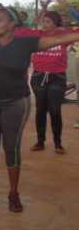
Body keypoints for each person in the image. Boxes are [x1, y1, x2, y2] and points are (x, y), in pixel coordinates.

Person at [0, 5, 79, 212]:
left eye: (0, 20)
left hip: (16, 102)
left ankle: (13, 194)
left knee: (11, 147)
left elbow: (60, 40)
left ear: (13, 24)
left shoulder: (26, 43)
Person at [29, 11, 76, 154]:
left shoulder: (63, 37)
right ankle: (40, 141)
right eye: (43, 21)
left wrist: (65, 28)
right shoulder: (37, 36)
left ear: (55, 23)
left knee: (55, 110)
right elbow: (23, 31)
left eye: (48, 21)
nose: (44, 24)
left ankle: (58, 143)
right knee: (40, 110)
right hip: (38, 76)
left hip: (57, 78)